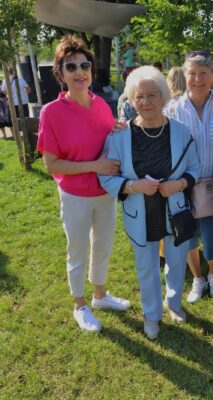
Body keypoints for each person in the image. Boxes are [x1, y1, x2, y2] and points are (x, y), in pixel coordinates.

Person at [99, 66, 200, 340]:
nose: (146, 102)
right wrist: (133, 186)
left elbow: (195, 167)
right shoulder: (118, 136)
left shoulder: (181, 131)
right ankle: (151, 314)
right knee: (146, 266)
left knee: (177, 262)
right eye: (139, 96)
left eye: (152, 95)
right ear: (131, 99)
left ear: (164, 97)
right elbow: (106, 177)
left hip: (174, 209)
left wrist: (178, 185)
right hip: (139, 212)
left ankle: (174, 303)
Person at [37, 35, 130, 332]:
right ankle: (80, 304)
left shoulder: (102, 104)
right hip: (75, 195)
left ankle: (100, 295)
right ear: (60, 74)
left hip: (105, 192)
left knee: (102, 246)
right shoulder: (51, 112)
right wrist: (95, 166)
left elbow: (104, 139)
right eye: (71, 67)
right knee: (77, 251)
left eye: (84, 65)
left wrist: (116, 129)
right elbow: (51, 164)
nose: (80, 72)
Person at [165, 50, 213, 303]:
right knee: (187, 235)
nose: (197, 79)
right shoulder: (172, 108)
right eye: (192, 73)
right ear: (184, 75)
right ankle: (197, 278)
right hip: (183, 185)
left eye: (203, 74)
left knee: (212, 236)